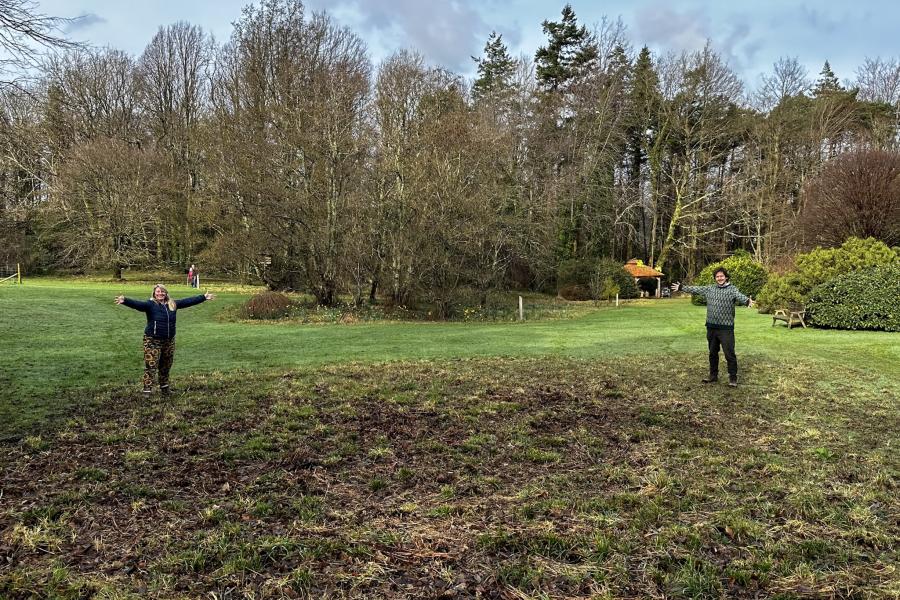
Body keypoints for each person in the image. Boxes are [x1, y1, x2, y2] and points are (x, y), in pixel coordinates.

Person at [115, 284, 215, 397]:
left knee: (166, 366)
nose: (160, 294)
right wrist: (125, 300)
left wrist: (203, 297)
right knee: (151, 366)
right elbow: (138, 305)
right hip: (152, 340)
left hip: (168, 341)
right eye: (158, 291)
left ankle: (165, 389)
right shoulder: (150, 304)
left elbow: (188, 301)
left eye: (162, 291)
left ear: (166, 293)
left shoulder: (172, 304)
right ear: (154, 293)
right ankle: (147, 391)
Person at [671, 267, 755, 387]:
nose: (719, 278)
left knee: (729, 354)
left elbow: (740, 296)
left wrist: (747, 301)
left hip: (726, 328)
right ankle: (713, 376)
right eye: (717, 276)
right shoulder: (710, 289)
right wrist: (681, 287)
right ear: (715, 278)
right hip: (711, 327)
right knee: (712, 353)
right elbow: (696, 289)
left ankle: (732, 378)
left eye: (721, 276)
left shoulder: (732, 289)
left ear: (726, 277)